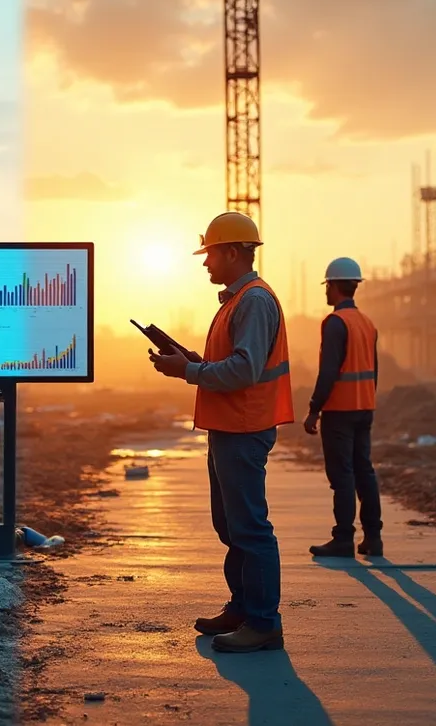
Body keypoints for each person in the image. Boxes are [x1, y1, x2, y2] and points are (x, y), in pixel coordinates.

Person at [148, 211, 291, 654]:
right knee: (231, 526)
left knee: (249, 528)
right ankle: (244, 607)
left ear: (232, 252)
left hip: (244, 429)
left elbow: (245, 369)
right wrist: (192, 360)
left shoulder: (252, 300)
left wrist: (188, 370)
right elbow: (235, 362)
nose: (205, 263)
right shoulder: (236, 300)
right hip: (230, 426)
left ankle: (264, 622)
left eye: (210, 254)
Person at [303, 257, 383, 558]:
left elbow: (329, 371)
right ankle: (373, 538)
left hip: (340, 410)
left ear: (335, 286)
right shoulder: (366, 322)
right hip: (364, 407)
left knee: (343, 475)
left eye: (326, 286)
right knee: (364, 471)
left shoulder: (335, 323)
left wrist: (314, 409)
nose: (325, 292)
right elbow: (373, 370)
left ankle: (343, 539)